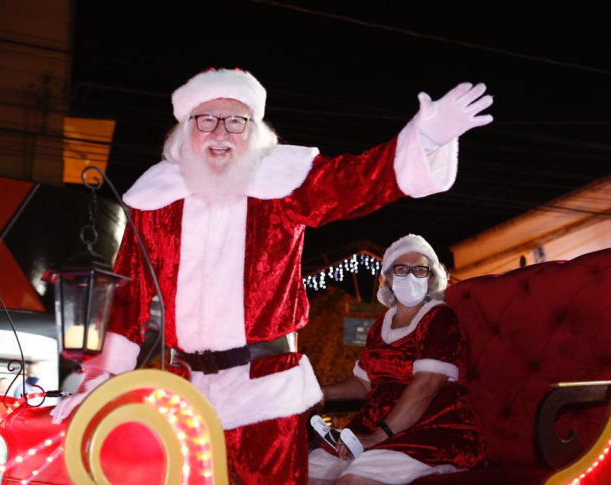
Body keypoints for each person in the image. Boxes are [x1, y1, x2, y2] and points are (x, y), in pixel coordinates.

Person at [51, 68, 493, 483]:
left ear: (254, 131)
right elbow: (127, 298)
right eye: (207, 120)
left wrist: (425, 139)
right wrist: (99, 381)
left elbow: (357, 181)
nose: (221, 132)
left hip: (265, 390)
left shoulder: (282, 183)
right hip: (185, 393)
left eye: (236, 121)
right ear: (185, 129)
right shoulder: (155, 200)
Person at [308, 234, 485, 484]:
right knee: (310, 470)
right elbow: (364, 383)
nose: (410, 276)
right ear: (389, 277)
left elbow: (426, 385)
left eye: (419, 270)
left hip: (431, 431)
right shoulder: (381, 324)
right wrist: (323, 392)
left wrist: (380, 436)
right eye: (402, 269)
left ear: (431, 278)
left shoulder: (439, 318)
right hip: (372, 428)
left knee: (355, 478)